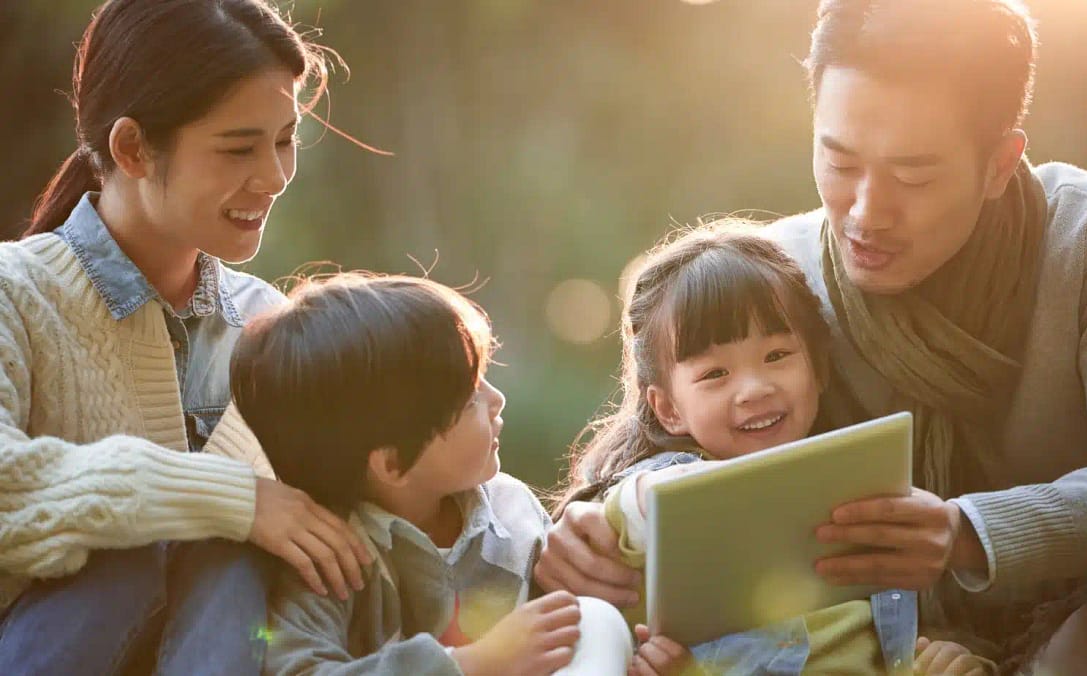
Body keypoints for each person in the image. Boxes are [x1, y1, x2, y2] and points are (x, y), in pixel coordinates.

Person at [539, 1, 1087, 673]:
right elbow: (658, 440)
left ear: (1000, 164)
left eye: (912, 174)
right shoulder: (780, 275)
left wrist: (968, 533)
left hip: (1083, 627)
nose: (864, 214)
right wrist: (586, 525)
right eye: (840, 162)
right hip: (867, 645)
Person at [0, 1, 372, 673]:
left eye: (285, 139)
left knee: (237, 564)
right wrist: (236, 501)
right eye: (239, 148)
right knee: (147, 542)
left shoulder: (271, 325)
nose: (276, 175)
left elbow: (387, 489)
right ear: (133, 148)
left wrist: (562, 534)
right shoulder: (13, 293)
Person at [554, 222, 992, 675]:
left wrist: (952, 663)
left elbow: (894, 638)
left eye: (777, 356)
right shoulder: (670, 483)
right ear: (669, 410)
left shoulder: (860, 478)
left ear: (819, 368)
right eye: (714, 375)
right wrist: (654, 495)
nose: (754, 389)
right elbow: (622, 514)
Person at [232, 273, 632, 675]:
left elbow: (560, 627)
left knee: (596, 621)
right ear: (391, 464)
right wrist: (467, 666)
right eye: (470, 399)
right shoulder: (330, 560)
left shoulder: (513, 510)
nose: (497, 400)